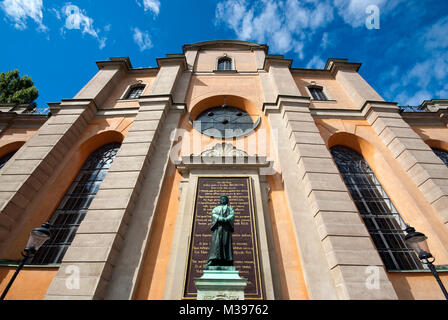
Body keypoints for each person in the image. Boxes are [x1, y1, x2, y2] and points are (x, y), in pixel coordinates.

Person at [205, 195, 234, 267]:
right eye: (222, 199)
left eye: (225, 199)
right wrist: (219, 218)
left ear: (227, 200)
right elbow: (213, 214)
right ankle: (213, 259)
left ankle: (227, 260)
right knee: (216, 244)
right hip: (218, 229)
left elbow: (232, 215)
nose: (223, 200)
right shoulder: (216, 208)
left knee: (225, 243)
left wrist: (227, 219)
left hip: (226, 229)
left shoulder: (230, 209)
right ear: (220, 200)